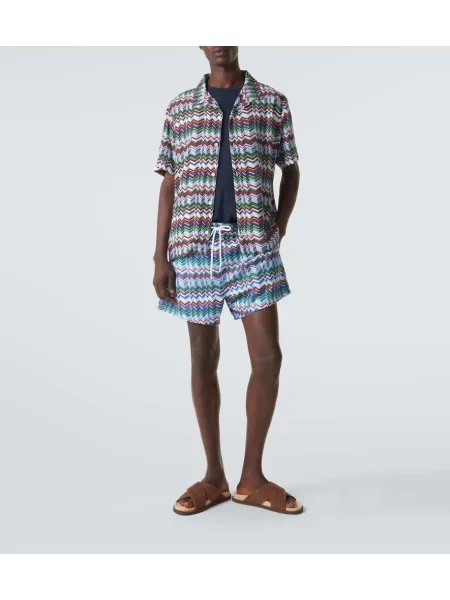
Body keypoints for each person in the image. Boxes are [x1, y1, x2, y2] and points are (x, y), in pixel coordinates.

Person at [153, 46, 302, 515]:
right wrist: (159, 256)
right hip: (193, 248)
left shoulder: (271, 102)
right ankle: (213, 477)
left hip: (252, 245)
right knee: (203, 359)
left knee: (268, 357)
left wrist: (277, 226)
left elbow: (291, 169)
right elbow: (169, 182)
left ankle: (251, 478)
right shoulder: (180, 108)